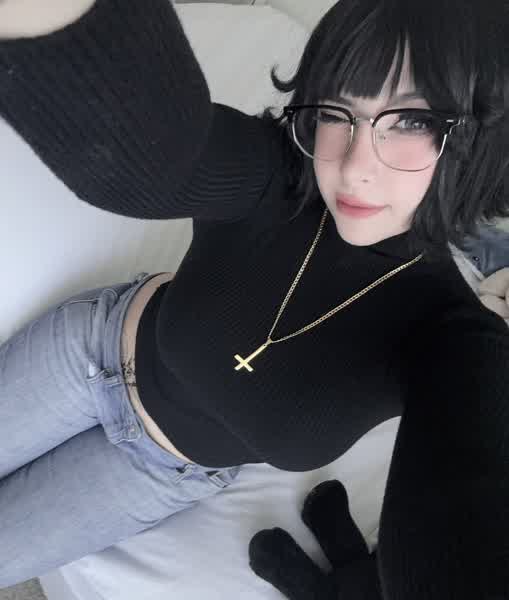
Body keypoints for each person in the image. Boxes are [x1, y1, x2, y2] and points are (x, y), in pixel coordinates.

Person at [0, 0, 508, 596]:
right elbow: (157, 163)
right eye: (337, 111)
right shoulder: (278, 170)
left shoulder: (446, 330)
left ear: (479, 138)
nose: (353, 167)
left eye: (411, 121)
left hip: (162, 468)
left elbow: (465, 513)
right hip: (91, 353)